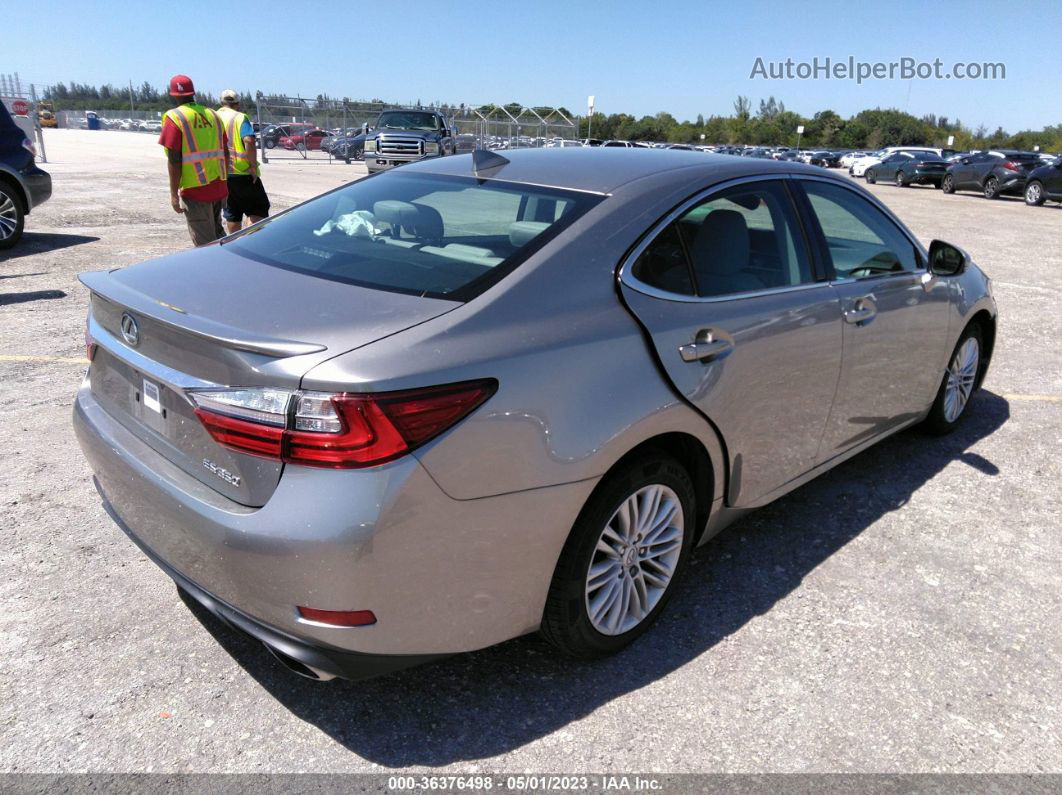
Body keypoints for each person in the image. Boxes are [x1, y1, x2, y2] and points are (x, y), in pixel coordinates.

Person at [157, 74, 229, 246]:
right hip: (219, 186)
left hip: (196, 189)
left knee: (205, 246)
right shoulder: (213, 114)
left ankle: (215, 272)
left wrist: (174, 194)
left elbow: (174, 160)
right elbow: (225, 151)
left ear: (173, 94)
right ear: (193, 93)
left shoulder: (176, 118)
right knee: (219, 238)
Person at [215, 89, 270, 234]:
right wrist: (252, 166)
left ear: (221, 103)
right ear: (237, 104)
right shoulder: (240, 118)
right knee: (257, 209)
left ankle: (234, 242)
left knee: (232, 212)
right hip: (243, 173)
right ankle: (250, 242)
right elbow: (249, 141)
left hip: (222, 174)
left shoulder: (212, 117)